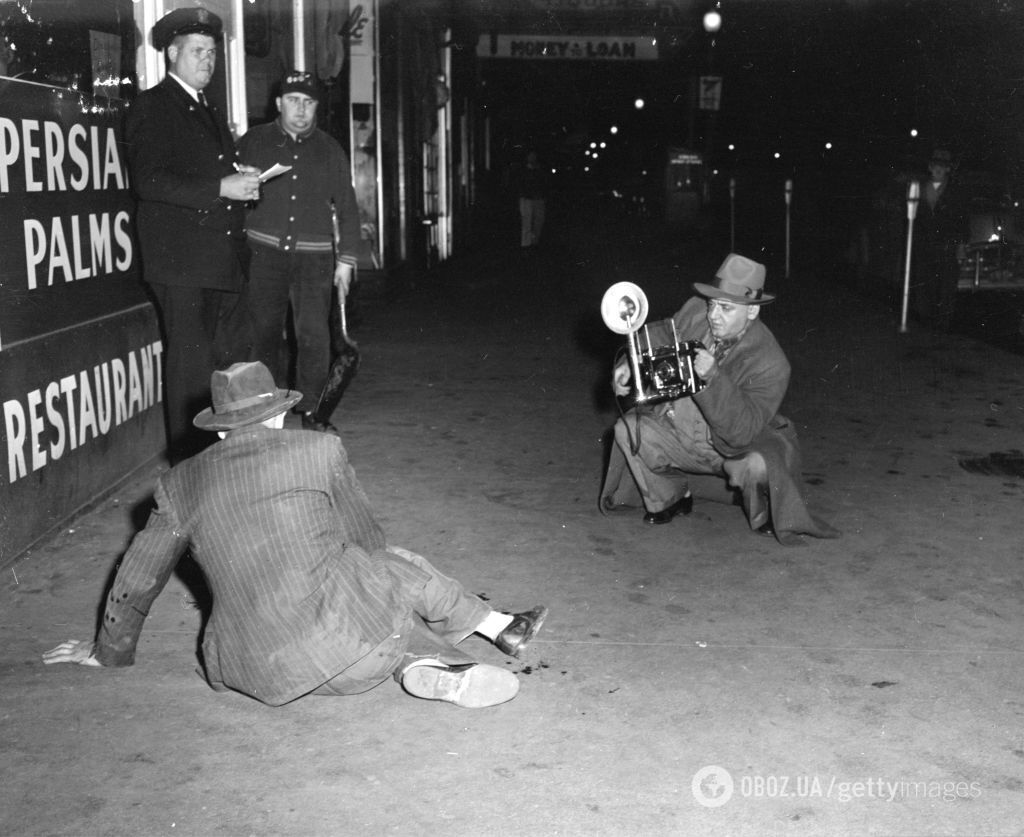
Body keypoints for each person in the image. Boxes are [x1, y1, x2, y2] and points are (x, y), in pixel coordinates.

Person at [42, 361, 549, 708]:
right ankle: (490, 628)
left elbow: (137, 577)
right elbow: (367, 541)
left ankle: (420, 662)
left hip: (255, 673)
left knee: (361, 595)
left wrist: (107, 651)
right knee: (394, 563)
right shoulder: (318, 450)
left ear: (218, 430)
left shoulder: (178, 483)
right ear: (280, 415)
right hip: (354, 650)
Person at [600, 254, 838, 546]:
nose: (713, 315)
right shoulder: (696, 312)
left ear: (751, 312)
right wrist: (628, 361)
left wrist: (712, 379)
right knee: (628, 430)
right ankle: (671, 499)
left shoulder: (772, 363)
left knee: (759, 465)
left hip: (730, 451)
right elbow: (662, 332)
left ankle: (763, 510)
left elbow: (740, 433)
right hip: (681, 434)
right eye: (712, 304)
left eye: (725, 308)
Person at [126, 7, 262, 462]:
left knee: (221, 369)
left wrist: (239, 179)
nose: (208, 60)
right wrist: (221, 186)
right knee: (190, 373)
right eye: (198, 51)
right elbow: (150, 181)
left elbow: (201, 175)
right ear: (171, 52)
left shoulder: (207, 110)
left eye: (212, 53)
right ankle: (191, 469)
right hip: (182, 262)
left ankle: (218, 465)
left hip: (217, 259)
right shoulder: (153, 105)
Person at [237, 70, 361, 435]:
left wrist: (347, 260)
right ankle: (266, 413)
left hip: (315, 258)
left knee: (313, 336)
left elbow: (348, 206)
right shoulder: (253, 142)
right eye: (294, 101)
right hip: (264, 254)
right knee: (264, 334)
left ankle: (312, 411)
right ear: (278, 103)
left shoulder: (329, 148)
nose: (301, 110)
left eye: (309, 103)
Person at [911, 147, 965, 330]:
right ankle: (926, 320)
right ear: (930, 167)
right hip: (925, 244)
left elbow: (963, 219)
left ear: (948, 169)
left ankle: (944, 324)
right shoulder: (918, 188)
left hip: (948, 245)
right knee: (926, 283)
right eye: (936, 165)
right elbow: (913, 218)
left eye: (943, 166)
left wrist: (962, 244)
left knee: (947, 285)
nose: (939, 169)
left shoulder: (956, 192)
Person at [514, 149, 549, 251]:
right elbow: (519, 184)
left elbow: (545, 183)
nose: (532, 158)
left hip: (538, 198)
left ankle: (534, 241)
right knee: (527, 222)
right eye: (530, 156)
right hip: (526, 198)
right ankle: (526, 245)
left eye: (534, 156)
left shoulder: (540, 170)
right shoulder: (522, 170)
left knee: (539, 221)